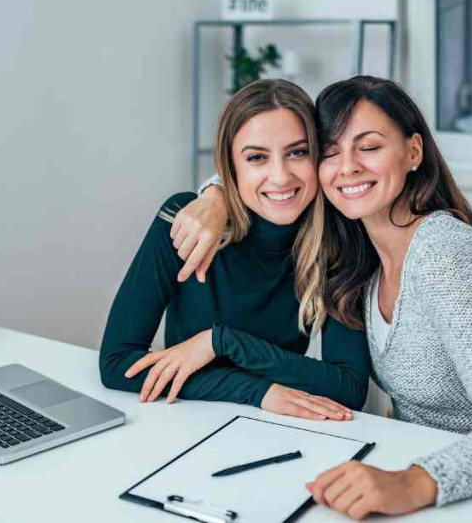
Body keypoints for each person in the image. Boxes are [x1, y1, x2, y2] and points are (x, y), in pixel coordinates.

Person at [170, 76, 472, 518]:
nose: (347, 167)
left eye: (370, 147)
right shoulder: (361, 254)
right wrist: (217, 193)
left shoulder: (443, 255)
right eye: (330, 152)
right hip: (432, 486)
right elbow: (274, 165)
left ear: (413, 152)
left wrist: (413, 481)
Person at [98, 79, 370, 421]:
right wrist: (255, 391)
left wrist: (220, 342)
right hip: (180, 420)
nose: (280, 176)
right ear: (231, 167)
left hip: (274, 427)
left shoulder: (339, 240)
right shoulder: (185, 222)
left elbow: (350, 388)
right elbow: (117, 364)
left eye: (297, 152)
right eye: (257, 157)